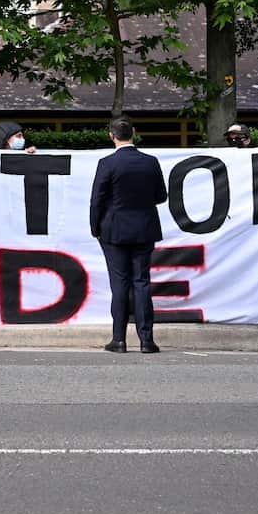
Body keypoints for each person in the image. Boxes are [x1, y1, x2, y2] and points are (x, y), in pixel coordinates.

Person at [89, 116, 168, 354]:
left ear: (111, 136)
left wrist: (95, 227)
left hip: (113, 229)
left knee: (120, 284)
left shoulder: (107, 163)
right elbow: (161, 196)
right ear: (134, 132)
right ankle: (146, 340)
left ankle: (119, 339)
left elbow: (97, 200)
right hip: (144, 227)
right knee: (142, 282)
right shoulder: (150, 162)